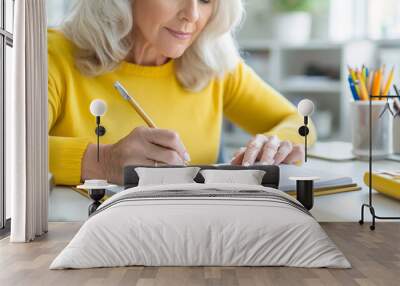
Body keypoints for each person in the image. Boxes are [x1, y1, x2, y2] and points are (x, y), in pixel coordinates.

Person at [48, 0, 317, 186]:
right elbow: (10, 149)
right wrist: (103, 162)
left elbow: (301, 123)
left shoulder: (213, 64)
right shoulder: (52, 55)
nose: (193, 15)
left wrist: (272, 146)